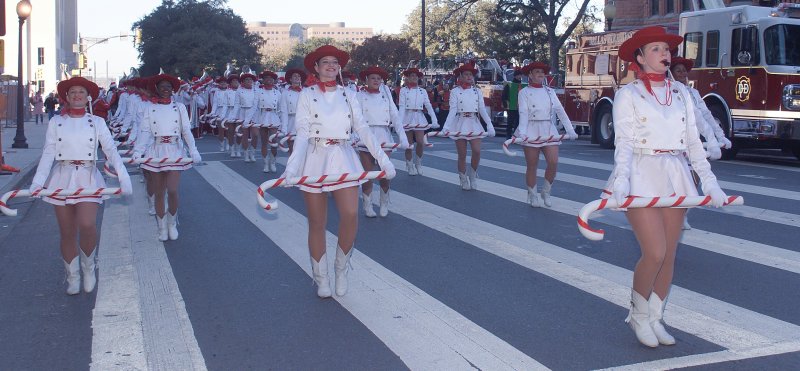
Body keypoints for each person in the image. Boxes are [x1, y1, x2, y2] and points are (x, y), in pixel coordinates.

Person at [605, 26, 728, 347]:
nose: (665, 54)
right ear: (640, 58)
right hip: (641, 170)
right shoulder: (627, 95)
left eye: (666, 49)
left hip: (676, 171)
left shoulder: (682, 94)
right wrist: (620, 180)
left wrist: (710, 183)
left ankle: (656, 317)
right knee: (654, 252)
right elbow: (625, 143)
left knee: (669, 255)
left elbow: (692, 144)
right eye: (656, 49)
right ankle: (638, 315)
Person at [282, 45, 396, 298]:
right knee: (317, 222)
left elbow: (363, 129)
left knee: (350, 213)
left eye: (335, 62)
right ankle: (321, 277)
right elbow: (301, 133)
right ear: (316, 67)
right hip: (314, 157)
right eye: (326, 62)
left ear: (340, 68)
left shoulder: (349, 94)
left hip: (343, 156)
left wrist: (383, 159)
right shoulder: (306, 94)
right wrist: (291, 168)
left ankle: (341, 268)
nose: (331, 66)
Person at [29, 77, 133, 295]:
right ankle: (72, 275)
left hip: (87, 176)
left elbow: (111, 150)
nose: (77, 95)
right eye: (73, 92)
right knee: (67, 232)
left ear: (88, 98)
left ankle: (89, 267)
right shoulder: (56, 122)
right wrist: (38, 181)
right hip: (62, 177)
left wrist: (124, 177)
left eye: (81, 92)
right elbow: (48, 153)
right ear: (66, 97)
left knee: (87, 224)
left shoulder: (97, 122)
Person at [132, 73, 202, 242]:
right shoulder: (150, 108)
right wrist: (138, 151)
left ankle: (172, 223)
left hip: (174, 150)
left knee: (172, 190)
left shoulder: (180, 108)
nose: (165, 90)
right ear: (156, 89)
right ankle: (162, 227)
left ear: (173, 90)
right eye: (162, 87)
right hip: (156, 150)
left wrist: (193, 149)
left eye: (168, 87)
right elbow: (145, 131)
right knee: (159, 192)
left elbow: (186, 129)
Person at [516, 61, 578, 207]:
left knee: (553, 162)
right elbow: (523, 113)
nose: (540, 74)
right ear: (530, 75)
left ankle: (546, 191)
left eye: (542, 72)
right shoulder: (523, 92)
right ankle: (532, 194)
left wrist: (570, 129)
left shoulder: (550, 91)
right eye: (537, 72)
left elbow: (560, 110)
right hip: (531, 128)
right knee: (532, 165)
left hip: (548, 129)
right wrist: (523, 132)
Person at [356, 66, 410, 217]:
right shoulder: (358, 96)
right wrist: (354, 136)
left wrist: (403, 137)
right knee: (367, 174)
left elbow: (396, 117)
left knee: (384, 172)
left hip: (383, 135)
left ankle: (384, 203)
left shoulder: (386, 95)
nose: (376, 81)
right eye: (372, 78)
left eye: (378, 79)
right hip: (365, 135)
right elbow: (355, 118)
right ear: (366, 80)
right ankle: (367, 205)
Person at [441, 63, 495, 190]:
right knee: (462, 154)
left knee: (477, 151)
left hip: (473, 122)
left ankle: (472, 175)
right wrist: (446, 127)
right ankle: (463, 178)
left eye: (471, 74)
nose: (469, 77)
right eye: (466, 74)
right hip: (460, 122)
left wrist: (489, 125)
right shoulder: (455, 91)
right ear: (460, 76)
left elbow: (482, 109)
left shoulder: (477, 91)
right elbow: (453, 110)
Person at [399, 68, 439, 175]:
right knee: (409, 144)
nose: (414, 77)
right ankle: (409, 164)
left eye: (416, 76)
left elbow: (428, 105)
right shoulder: (403, 90)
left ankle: (418, 163)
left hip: (419, 117)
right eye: (412, 75)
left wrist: (434, 119)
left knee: (420, 143)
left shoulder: (423, 91)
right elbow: (402, 107)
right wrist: (399, 121)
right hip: (407, 116)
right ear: (407, 77)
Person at [257, 70, 283, 172]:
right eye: (266, 78)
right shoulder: (258, 92)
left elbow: (281, 108)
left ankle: (272, 162)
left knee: (273, 141)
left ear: (274, 81)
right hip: (263, 116)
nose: (269, 80)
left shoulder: (277, 93)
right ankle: (265, 163)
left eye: (271, 79)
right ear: (263, 80)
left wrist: (281, 121)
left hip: (273, 116)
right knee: (264, 142)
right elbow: (255, 107)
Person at [278, 68, 306, 157]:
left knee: (304, 148)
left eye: (298, 76)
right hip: (291, 121)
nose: (297, 78)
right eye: (295, 76)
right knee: (291, 147)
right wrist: (284, 128)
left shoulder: (306, 92)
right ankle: (291, 168)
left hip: (303, 121)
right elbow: (284, 111)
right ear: (290, 79)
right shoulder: (285, 93)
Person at [502, 68, 526, 139]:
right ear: (515, 76)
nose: (520, 77)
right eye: (519, 75)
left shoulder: (523, 85)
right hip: (511, 105)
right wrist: (505, 103)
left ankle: (515, 135)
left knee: (518, 121)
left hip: (520, 106)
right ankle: (508, 134)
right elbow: (504, 95)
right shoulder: (509, 84)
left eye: (521, 75)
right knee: (510, 121)